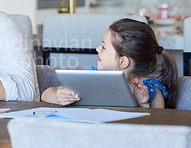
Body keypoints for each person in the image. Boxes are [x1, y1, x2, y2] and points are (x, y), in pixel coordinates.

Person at [41, 18, 179, 109]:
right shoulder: (92, 79)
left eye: (104, 47)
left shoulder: (151, 91)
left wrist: (142, 105)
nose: (97, 49)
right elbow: (45, 95)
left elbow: (159, 130)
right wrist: (57, 96)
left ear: (123, 61)